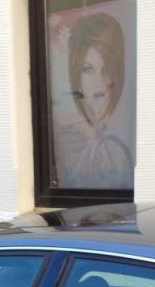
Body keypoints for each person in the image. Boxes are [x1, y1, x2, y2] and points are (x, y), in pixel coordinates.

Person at [55, 12, 134, 190]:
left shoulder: (127, 127)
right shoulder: (69, 136)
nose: (98, 83)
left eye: (106, 69)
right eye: (88, 70)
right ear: (76, 73)